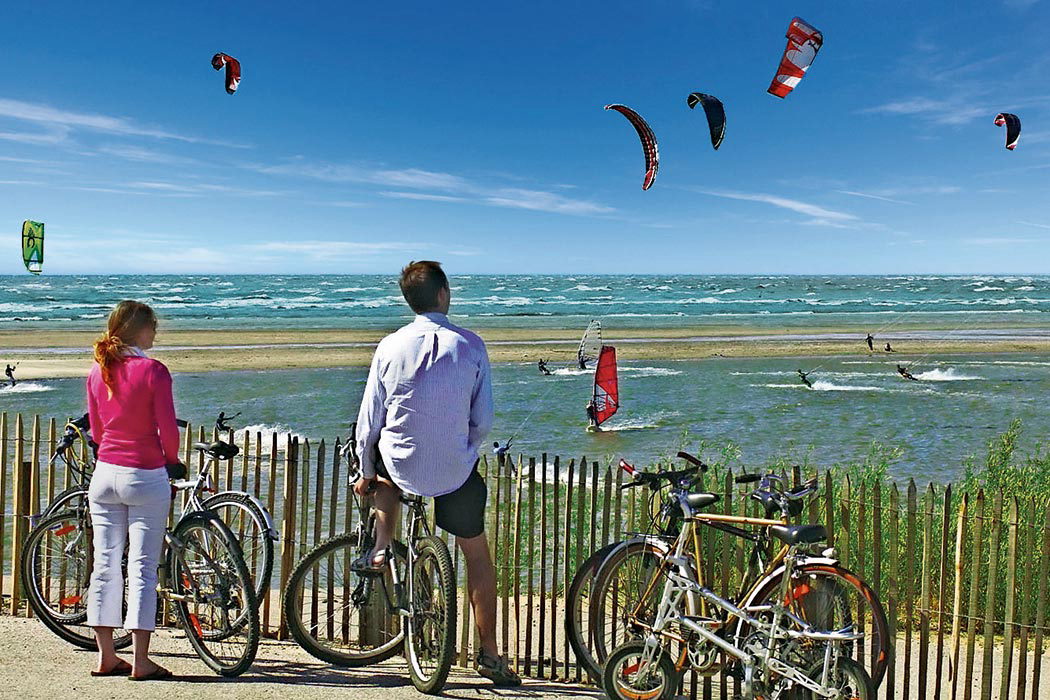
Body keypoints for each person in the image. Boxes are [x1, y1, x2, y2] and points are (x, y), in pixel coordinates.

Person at [354, 261, 520, 686]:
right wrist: (464, 447)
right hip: (455, 469)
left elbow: (369, 419)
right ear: (444, 294)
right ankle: (491, 655)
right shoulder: (470, 345)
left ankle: (382, 543)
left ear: (410, 301)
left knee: (381, 459)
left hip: (401, 464)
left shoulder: (389, 346)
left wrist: (364, 469)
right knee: (477, 557)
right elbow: (483, 421)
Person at [85, 301, 180, 681]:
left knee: (105, 565)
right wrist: (172, 460)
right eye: (153, 327)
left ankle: (106, 656)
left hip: (105, 474)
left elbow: (96, 429)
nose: (155, 334)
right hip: (144, 474)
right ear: (139, 330)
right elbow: (167, 428)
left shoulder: (98, 370)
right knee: (141, 567)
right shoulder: (154, 371)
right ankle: (140, 661)